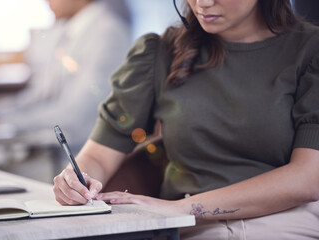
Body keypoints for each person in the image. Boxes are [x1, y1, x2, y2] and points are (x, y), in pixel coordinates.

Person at [53, 0, 319, 239]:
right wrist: (76, 181)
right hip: (189, 227)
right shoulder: (159, 53)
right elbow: (99, 156)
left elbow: (308, 178)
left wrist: (177, 208)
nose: (202, 3)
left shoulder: (309, 51)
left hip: (287, 220)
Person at [0, 0, 131, 148]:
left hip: (81, 153)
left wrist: (6, 121)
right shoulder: (66, 31)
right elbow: (40, 94)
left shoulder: (108, 34)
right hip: (54, 145)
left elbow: (76, 114)